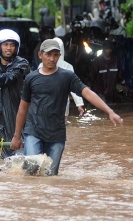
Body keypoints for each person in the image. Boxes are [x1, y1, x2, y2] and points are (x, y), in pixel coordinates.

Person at [11, 39, 123, 175]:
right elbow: (23, 108)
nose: (52, 59)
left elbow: (87, 93)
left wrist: (109, 111)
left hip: (57, 134)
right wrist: (17, 136)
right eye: (48, 55)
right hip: (33, 131)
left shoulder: (67, 76)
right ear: (40, 55)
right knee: (31, 172)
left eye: (56, 55)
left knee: (50, 176)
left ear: (60, 55)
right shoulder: (31, 78)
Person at [39, 37, 84, 117]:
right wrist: (79, 104)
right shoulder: (67, 66)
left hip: (48, 103)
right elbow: (75, 87)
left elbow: (74, 86)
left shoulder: (42, 65)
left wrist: (79, 104)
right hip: (60, 102)